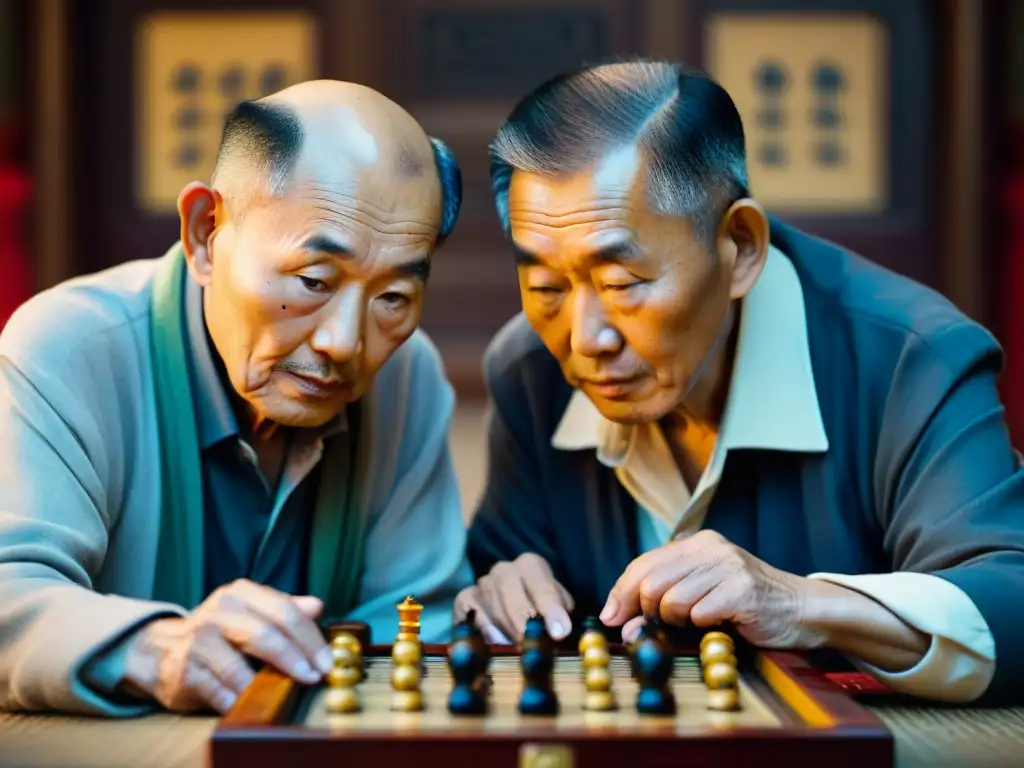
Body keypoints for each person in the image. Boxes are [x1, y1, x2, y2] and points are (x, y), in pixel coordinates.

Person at [458, 60, 1024, 705]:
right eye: (546, 286)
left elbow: (1011, 595)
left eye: (621, 284)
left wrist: (801, 603)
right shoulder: (531, 370)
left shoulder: (910, 358)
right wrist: (499, 585)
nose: (585, 337)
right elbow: (499, 572)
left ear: (741, 246)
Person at [0, 80, 472, 717]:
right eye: (313, 280)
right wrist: (154, 650)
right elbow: (10, 593)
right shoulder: (74, 348)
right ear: (205, 234)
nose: (344, 343)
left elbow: (417, 616)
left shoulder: (406, 377)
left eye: (393, 296)